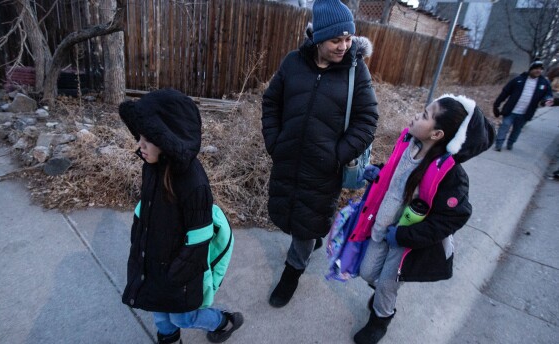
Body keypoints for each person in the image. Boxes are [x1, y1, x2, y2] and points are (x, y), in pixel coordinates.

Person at [350, 94, 495, 344]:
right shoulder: (408, 144)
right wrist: (380, 172)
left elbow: (453, 217)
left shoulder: (449, 175)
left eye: (425, 116)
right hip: (381, 226)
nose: (417, 116)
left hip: (405, 241)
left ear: (437, 134)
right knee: (367, 272)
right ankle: (385, 290)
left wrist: (406, 236)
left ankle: (381, 317)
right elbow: (397, 175)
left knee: (387, 283)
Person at [262, 0, 378, 308]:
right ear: (318, 39)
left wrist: (337, 154)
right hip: (288, 157)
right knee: (290, 211)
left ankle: (292, 272)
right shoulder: (292, 62)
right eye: (336, 40)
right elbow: (271, 102)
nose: (344, 46)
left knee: (307, 221)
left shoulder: (356, 70)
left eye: (348, 38)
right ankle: (309, 243)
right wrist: (274, 140)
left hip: (325, 167)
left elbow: (367, 119)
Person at [118, 89, 243, 344]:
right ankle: (169, 340)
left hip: (180, 272)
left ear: (167, 138)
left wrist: (177, 275)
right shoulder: (152, 167)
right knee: (161, 316)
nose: (139, 145)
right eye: (139, 136)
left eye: (148, 139)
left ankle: (223, 321)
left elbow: (200, 236)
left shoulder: (193, 182)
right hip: (153, 262)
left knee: (182, 318)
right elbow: (146, 208)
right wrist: (138, 242)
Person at [493, 60, 554, 151]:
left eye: (540, 69)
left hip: (525, 113)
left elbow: (548, 94)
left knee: (517, 130)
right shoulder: (518, 79)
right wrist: (496, 105)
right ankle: (499, 144)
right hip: (511, 110)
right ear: (531, 69)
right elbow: (505, 92)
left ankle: (510, 143)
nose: (539, 71)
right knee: (504, 126)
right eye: (536, 68)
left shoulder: (544, 83)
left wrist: (547, 100)